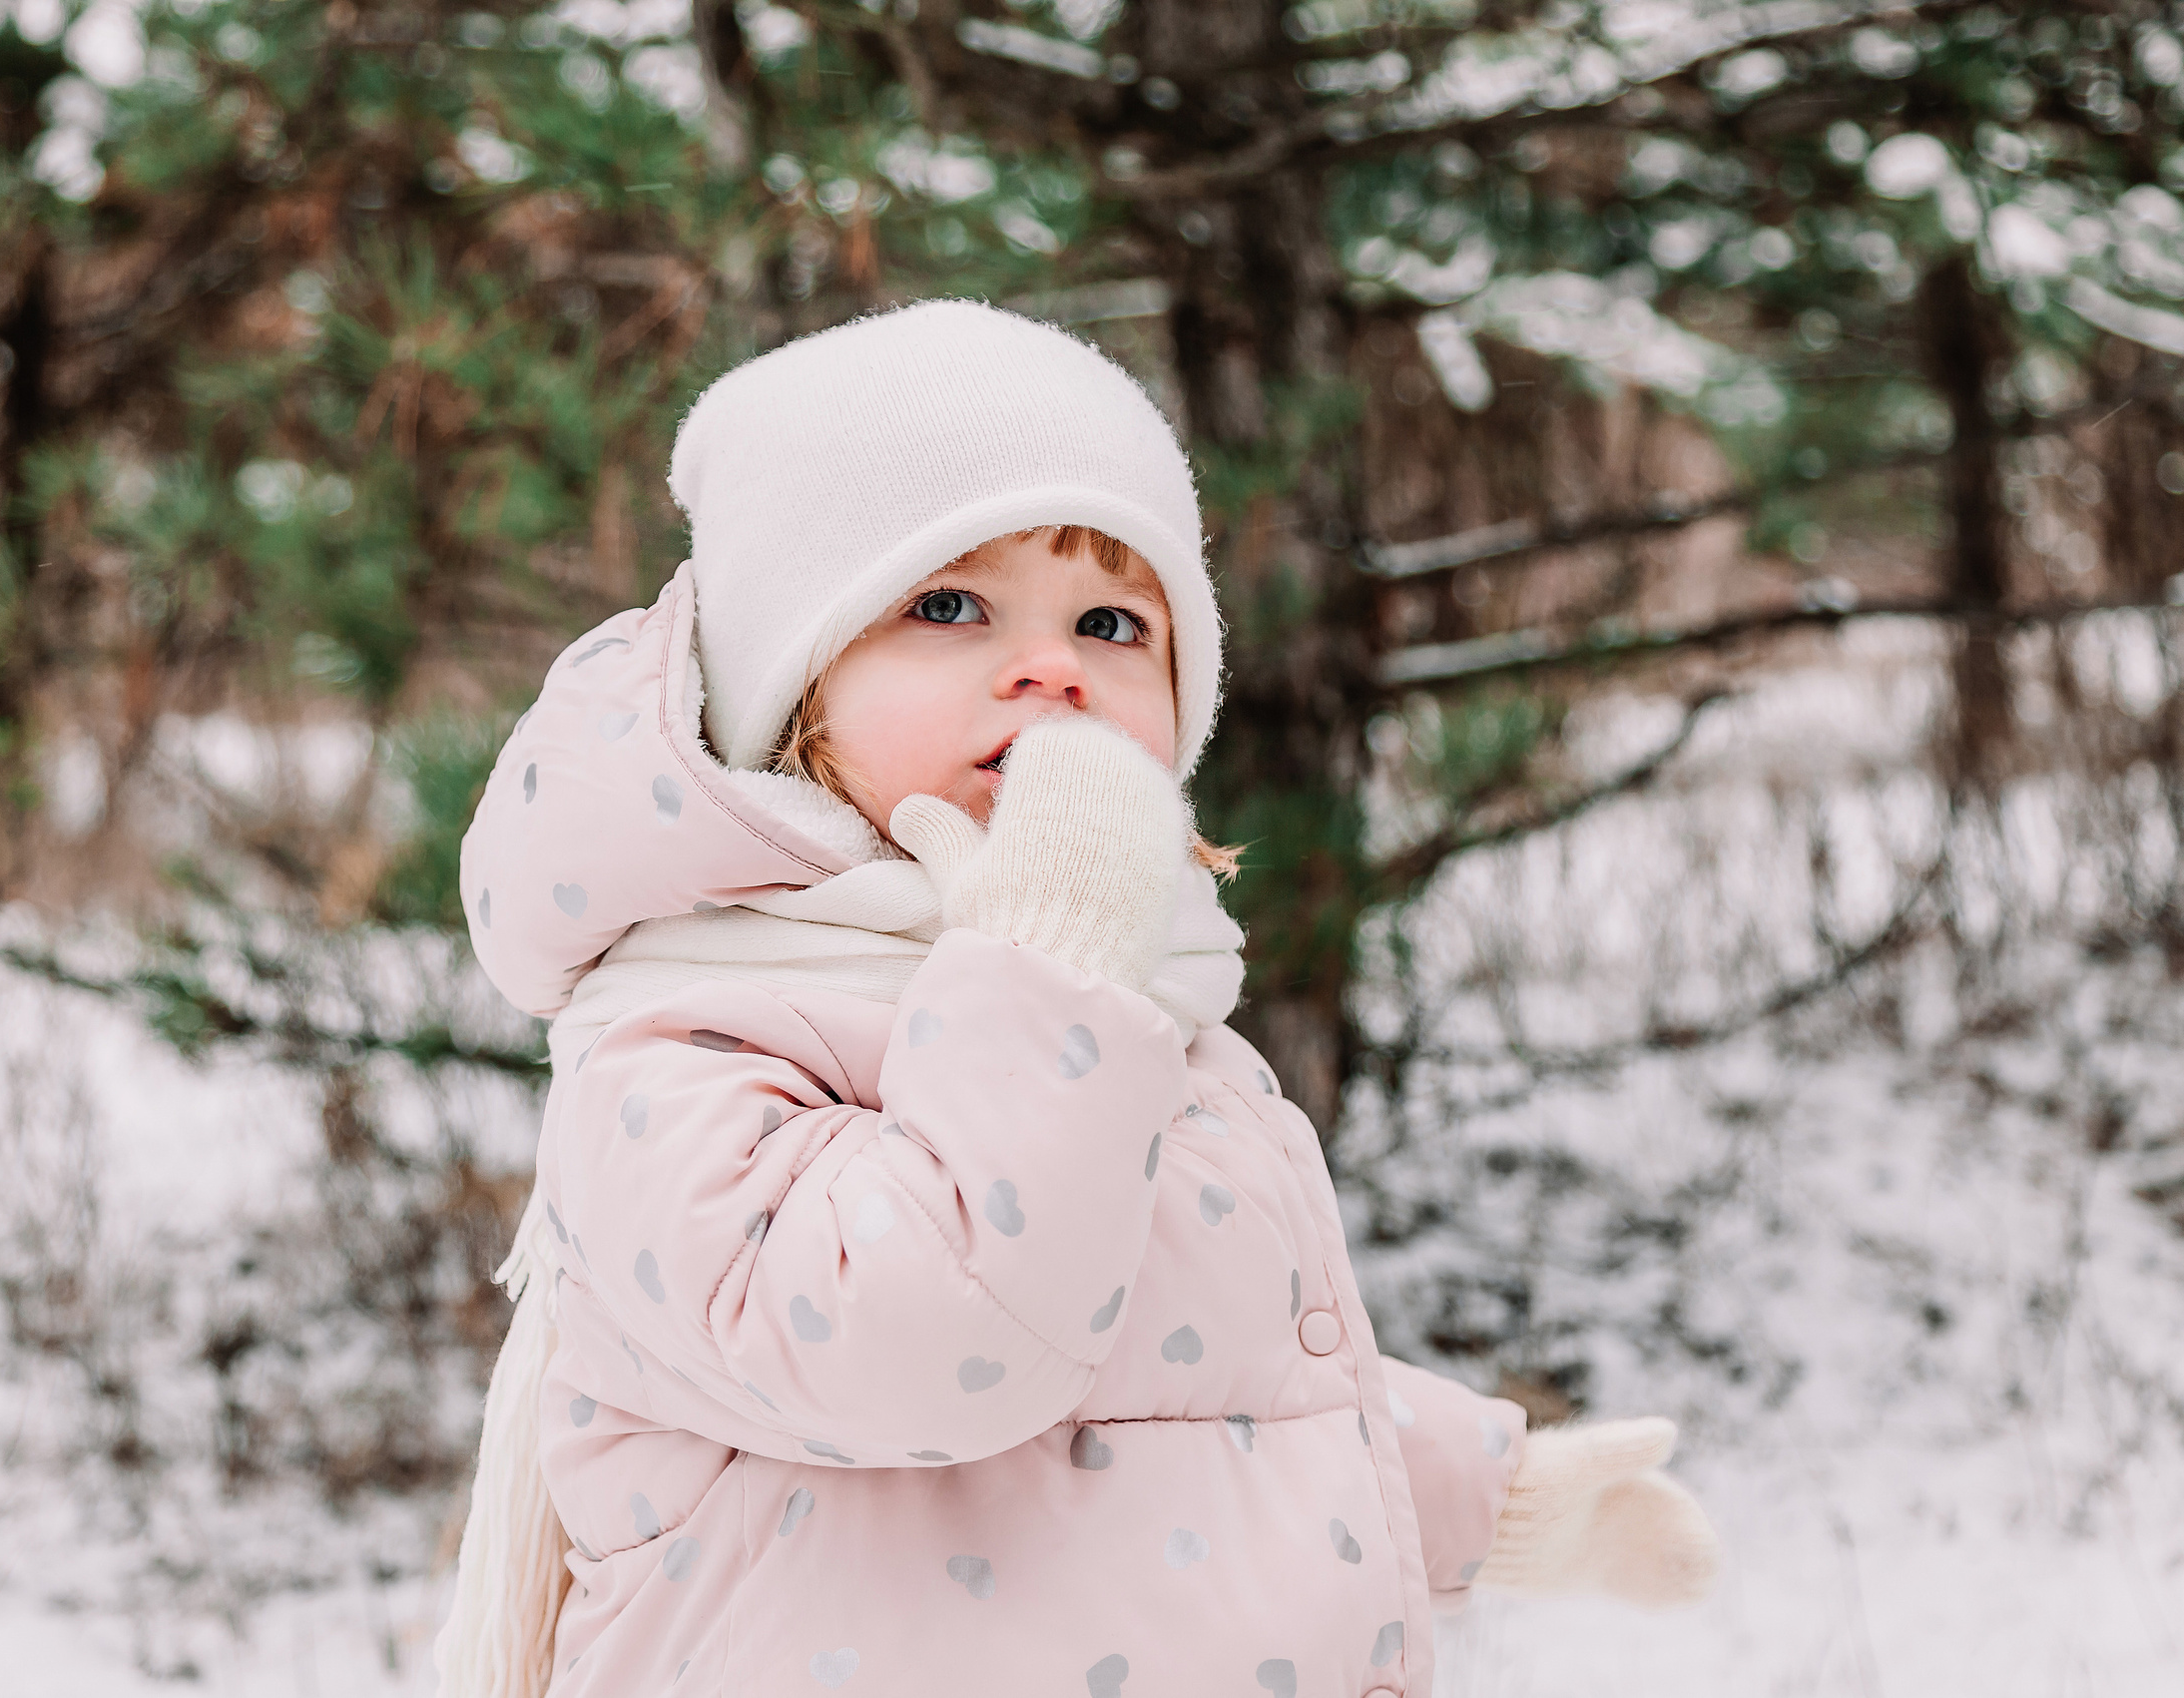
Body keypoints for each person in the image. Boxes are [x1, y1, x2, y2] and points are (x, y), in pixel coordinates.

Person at [436, 299, 1720, 1698]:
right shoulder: (688, 1044)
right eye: (947, 604)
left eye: (1112, 622)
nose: (1053, 669)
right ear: (788, 687)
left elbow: (1192, 1374)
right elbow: (930, 1340)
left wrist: (1500, 1497)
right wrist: (1048, 961)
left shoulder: (1120, 1013)